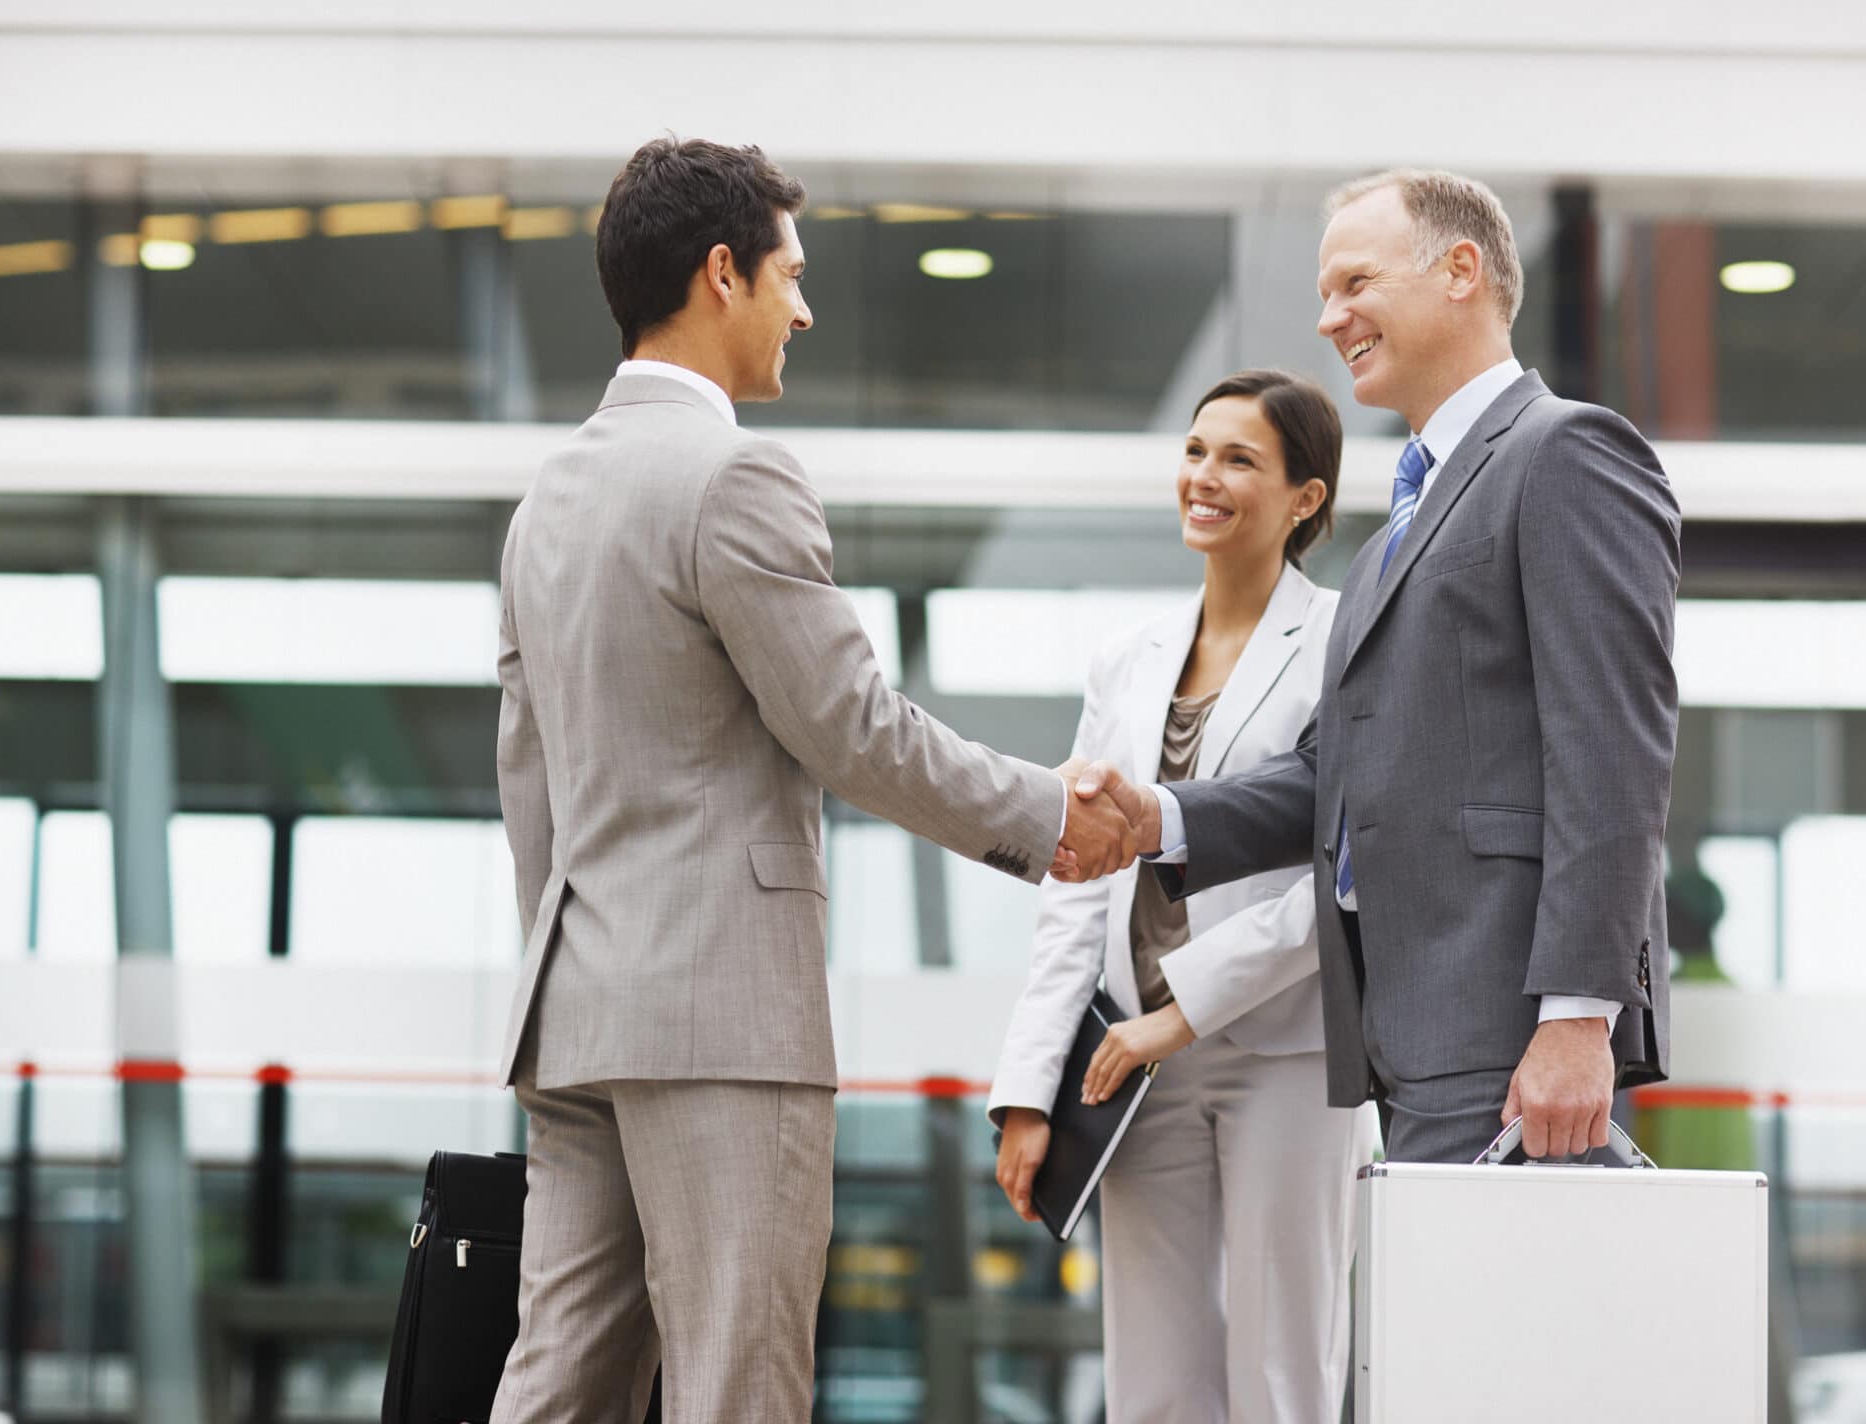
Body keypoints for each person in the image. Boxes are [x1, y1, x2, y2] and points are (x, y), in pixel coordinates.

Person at [488, 137, 1143, 1424]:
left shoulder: (547, 497)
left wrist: (572, 959)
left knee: (559, 1380)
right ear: (719, 273)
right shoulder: (733, 474)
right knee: (738, 1382)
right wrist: (1048, 814)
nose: (804, 306)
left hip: (575, 1006)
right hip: (720, 1011)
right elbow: (847, 723)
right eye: (790, 274)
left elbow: (531, 778)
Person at [1069, 168, 1681, 1167]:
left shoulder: (1564, 452)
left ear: (1458, 270)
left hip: (1505, 1023)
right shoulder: (1394, 530)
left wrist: (1578, 1017)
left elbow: (1613, 752)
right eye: (1324, 292)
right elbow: (1340, 778)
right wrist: (1160, 818)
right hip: (1407, 1035)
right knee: (1442, 1324)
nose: (1327, 318)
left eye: (1353, 282)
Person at [990, 370, 1381, 1422]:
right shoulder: (1128, 659)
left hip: (1282, 1051)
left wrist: (1186, 1006)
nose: (1203, 476)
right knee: (1153, 1382)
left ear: (1305, 498)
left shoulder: (1347, 644)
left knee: (1279, 1376)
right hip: (1126, 1059)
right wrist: (1031, 1087)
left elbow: (1346, 865)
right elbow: (1075, 883)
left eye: (1239, 458)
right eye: (1196, 451)